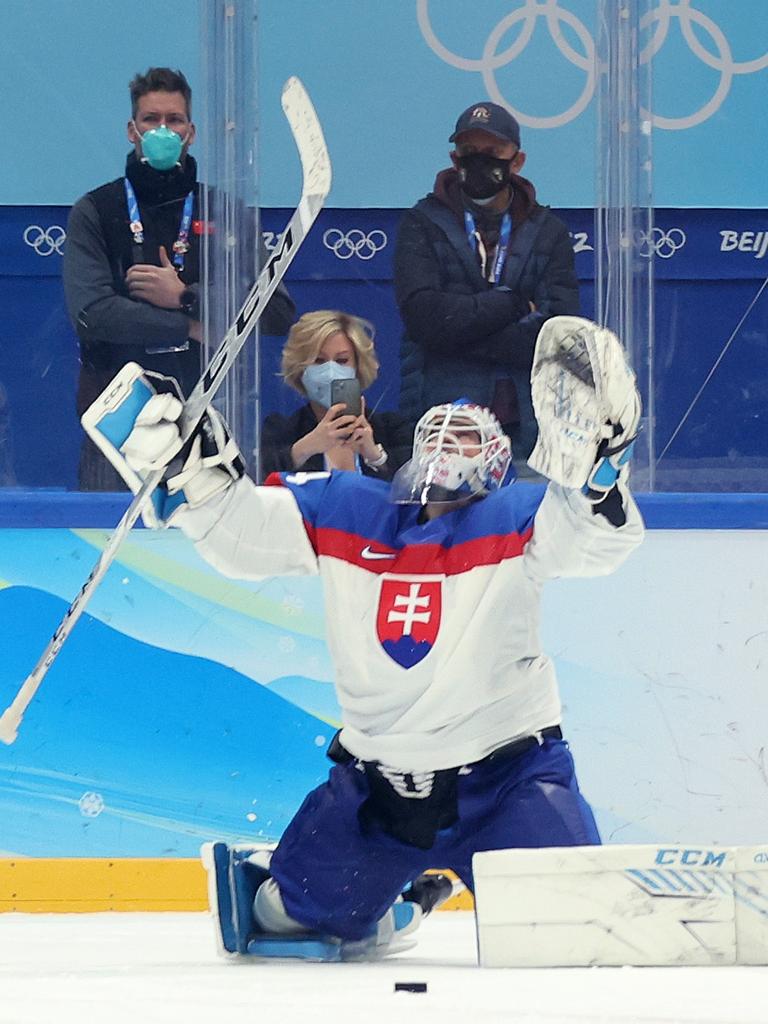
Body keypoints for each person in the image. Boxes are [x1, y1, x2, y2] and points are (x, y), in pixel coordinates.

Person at [100, 315, 643, 961]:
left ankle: (417, 882)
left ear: (498, 461)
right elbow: (241, 537)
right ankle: (399, 893)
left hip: (507, 785)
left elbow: (597, 539)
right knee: (280, 919)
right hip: (379, 794)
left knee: (582, 936)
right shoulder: (350, 505)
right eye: (440, 429)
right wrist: (194, 475)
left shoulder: (519, 515)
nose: (451, 441)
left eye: (470, 435)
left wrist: (601, 470)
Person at [62, 66, 295, 491]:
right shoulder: (96, 209)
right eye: (151, 120)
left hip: (210, 414)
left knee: (212, 552)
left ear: (191, 132)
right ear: (132, 131)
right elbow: (91, 314)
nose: (163, 130)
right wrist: (187, 325)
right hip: (118, 419)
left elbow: (277, 312)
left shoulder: (226, 211)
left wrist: (188, 297)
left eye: (174, 120)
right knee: (108, 541)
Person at [394, 100, 580, 461]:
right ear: (454, 159)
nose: (479, 161)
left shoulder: (549, 232)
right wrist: (511, 305)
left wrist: (459, 334)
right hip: (444, 424)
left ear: (517, 160)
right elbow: (424, 317)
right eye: (469, 152)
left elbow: (559, 331)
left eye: (492, 152)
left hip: (527, 424)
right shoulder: (421, 223)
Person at [260, 310, 412, 481]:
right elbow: (259, 480)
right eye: (319, 360)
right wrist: (305, 448)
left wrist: (375, 456)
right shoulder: (280, 432)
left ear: (358, 367)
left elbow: (413, 487)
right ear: (300, 368)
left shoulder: (391, 429)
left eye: (342, 361)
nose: (330, 371)